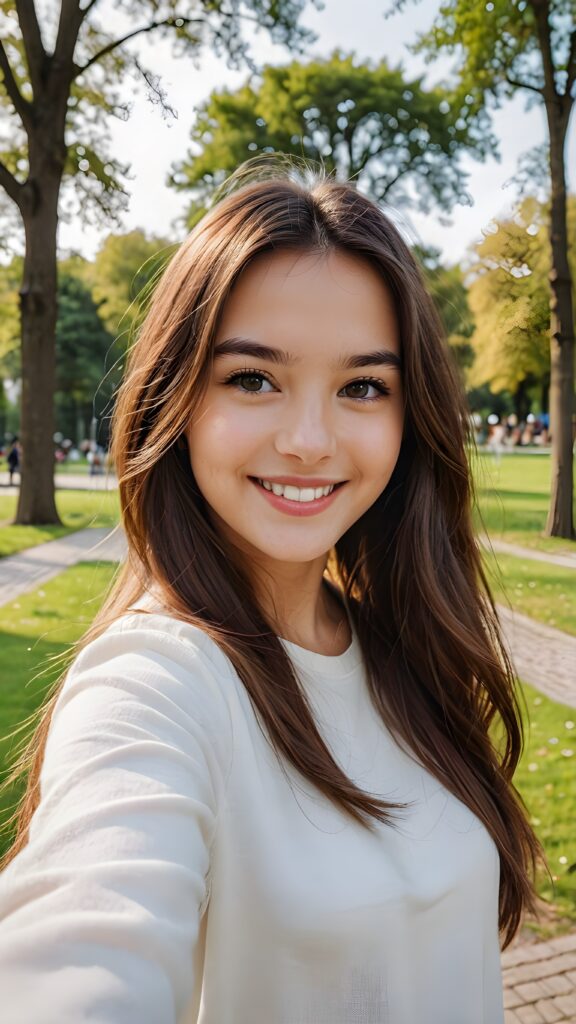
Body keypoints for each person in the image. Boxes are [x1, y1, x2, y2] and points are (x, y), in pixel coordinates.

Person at [0, 163, 545, 1024]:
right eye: (253, 378)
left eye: (363, 386)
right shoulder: (154, 682)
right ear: (176, 400)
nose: (308, 439)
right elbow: (85, 954)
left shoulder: (402, 652)